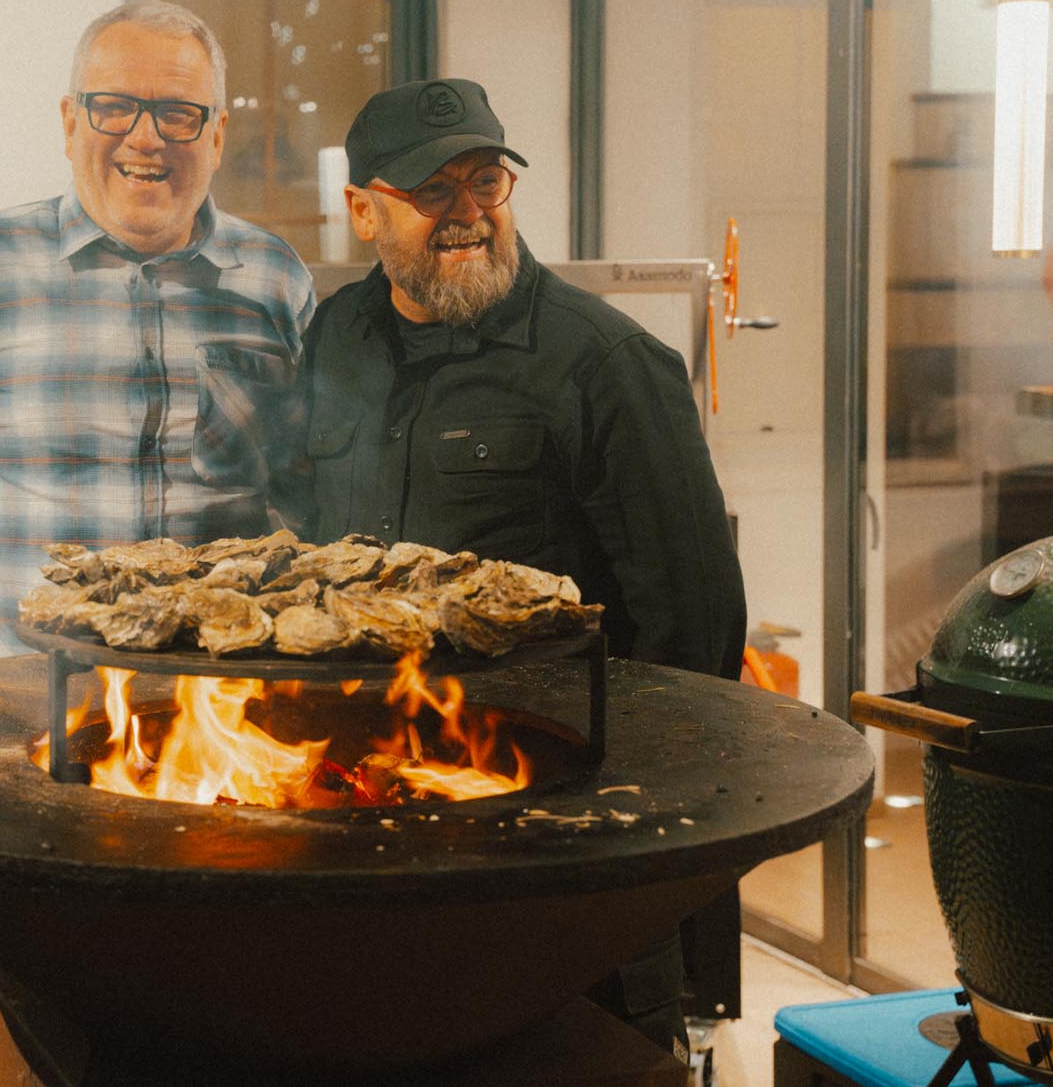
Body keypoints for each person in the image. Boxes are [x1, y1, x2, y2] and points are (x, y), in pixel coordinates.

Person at [282, 76, 747, 1055]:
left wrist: (620, 835)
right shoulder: (334, 338)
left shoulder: (602, 362)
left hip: (550, 862)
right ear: (362, 210)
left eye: (484, 181)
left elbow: (693, 628)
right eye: (430, 190)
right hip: (368, 834)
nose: (466, 214)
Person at [0, 0, 314, 677]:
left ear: (217, 135)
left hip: (225, 723)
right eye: (114, 107)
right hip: (33, 721)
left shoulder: (274, 279)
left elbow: (316, 491)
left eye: (178, 113)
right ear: (71, 122)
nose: (145, 137)